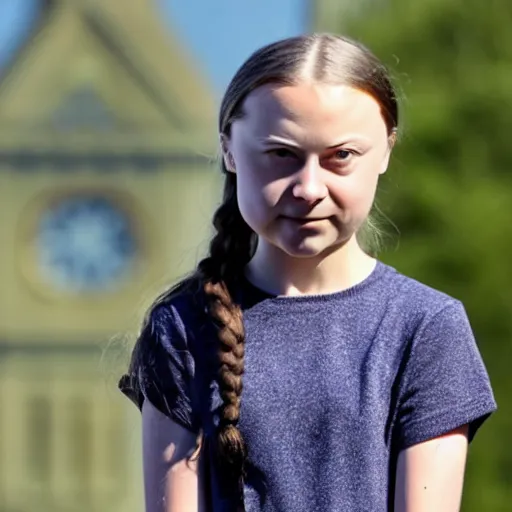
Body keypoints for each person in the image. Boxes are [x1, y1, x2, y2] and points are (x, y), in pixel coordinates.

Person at [119, 33, 497, 512]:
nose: (309, 187)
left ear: (385, 152)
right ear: (230, 151)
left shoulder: (425, 327)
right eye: (281, 155)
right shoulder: (183, 328)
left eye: (341, 156)